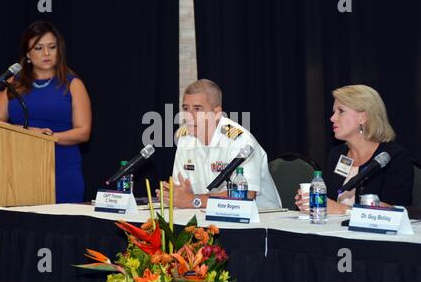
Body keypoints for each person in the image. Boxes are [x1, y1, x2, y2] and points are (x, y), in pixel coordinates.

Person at [0, 21, 92, 203]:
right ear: (28, 54)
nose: (46, 53)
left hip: (62, 167)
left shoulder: (73, 84)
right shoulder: (13, 83)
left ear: (59, 51)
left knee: (63, 228)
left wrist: (49, 136)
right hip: (18, 166)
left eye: (52, 47)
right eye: (39, 48)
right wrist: (25, 131)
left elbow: (83, 132)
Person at [156, 79, 282, 209]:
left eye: (198, 109)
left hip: (261, 218)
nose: (189, 116)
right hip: (208, 215)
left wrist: (193, 200)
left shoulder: (240, 140)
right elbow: (181, 188)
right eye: (186, 108)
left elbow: (245, 195)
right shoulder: (185, 138)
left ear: (216, 113)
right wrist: (176, 194)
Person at [295, 85, 413, 214]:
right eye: (334, 112)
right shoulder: (336, 154)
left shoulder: (394, 157)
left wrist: (343, 210)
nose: (332, 118)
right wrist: (312, 200)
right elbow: (329, 201)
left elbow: (396, 211)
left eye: (341, 111)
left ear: (363, 117)